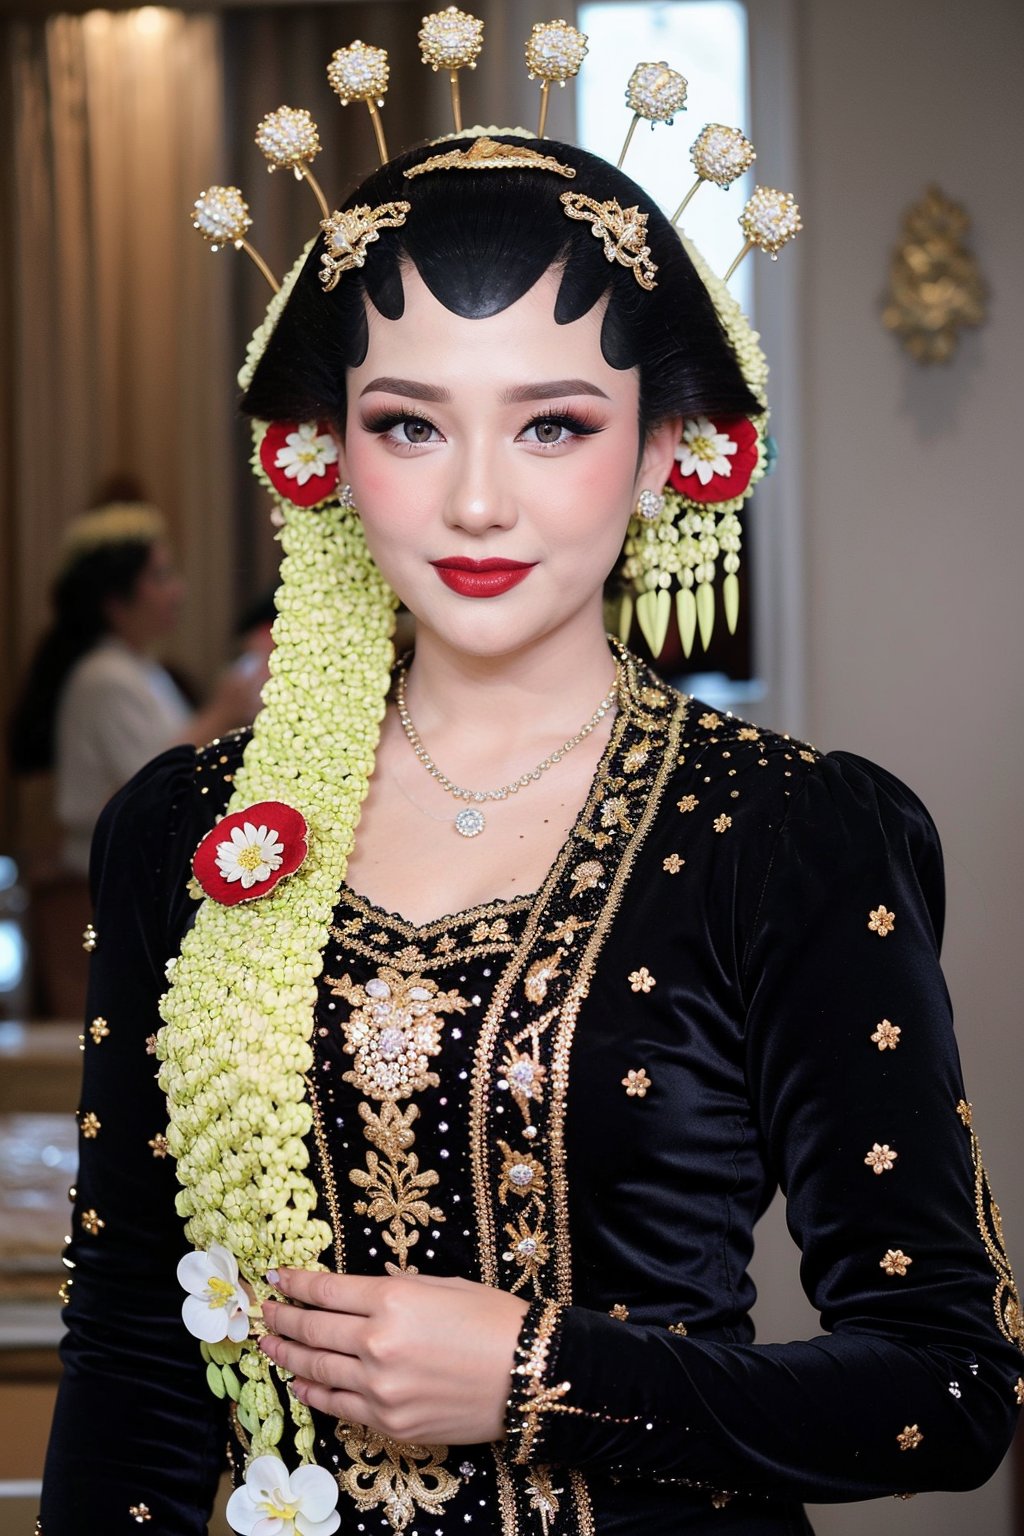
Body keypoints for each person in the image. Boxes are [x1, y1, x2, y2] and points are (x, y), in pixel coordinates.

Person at [41, 94, 1021, 1536]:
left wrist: (539, 1373)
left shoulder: (790, 833)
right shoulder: (189, 828)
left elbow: (947, 1388)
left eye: (553, 422)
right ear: (325, 453)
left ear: (664, 448)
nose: (480, 500)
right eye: (411, 424)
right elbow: (133, 1346)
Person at [9, 490, 266, 876]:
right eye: (160, 577)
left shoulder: (140, 667)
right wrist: (220, 713)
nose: (177, 591)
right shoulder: (104, 676)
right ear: (115, 600)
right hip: (113, 869)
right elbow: (148, 785)